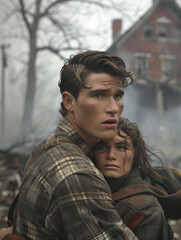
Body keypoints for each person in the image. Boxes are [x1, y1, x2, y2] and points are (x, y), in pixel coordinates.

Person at [0, 50, 138, 240]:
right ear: (69, 102)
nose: (114, 108)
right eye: (99, 95)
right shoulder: (78, 175)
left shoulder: (51, 142)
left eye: (118, 96)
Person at [93, 117, 181, 240]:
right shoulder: (91, 186)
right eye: (102, 147)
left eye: (121, 147)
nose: (111, 155)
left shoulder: (146, 209)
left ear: (135, 155)